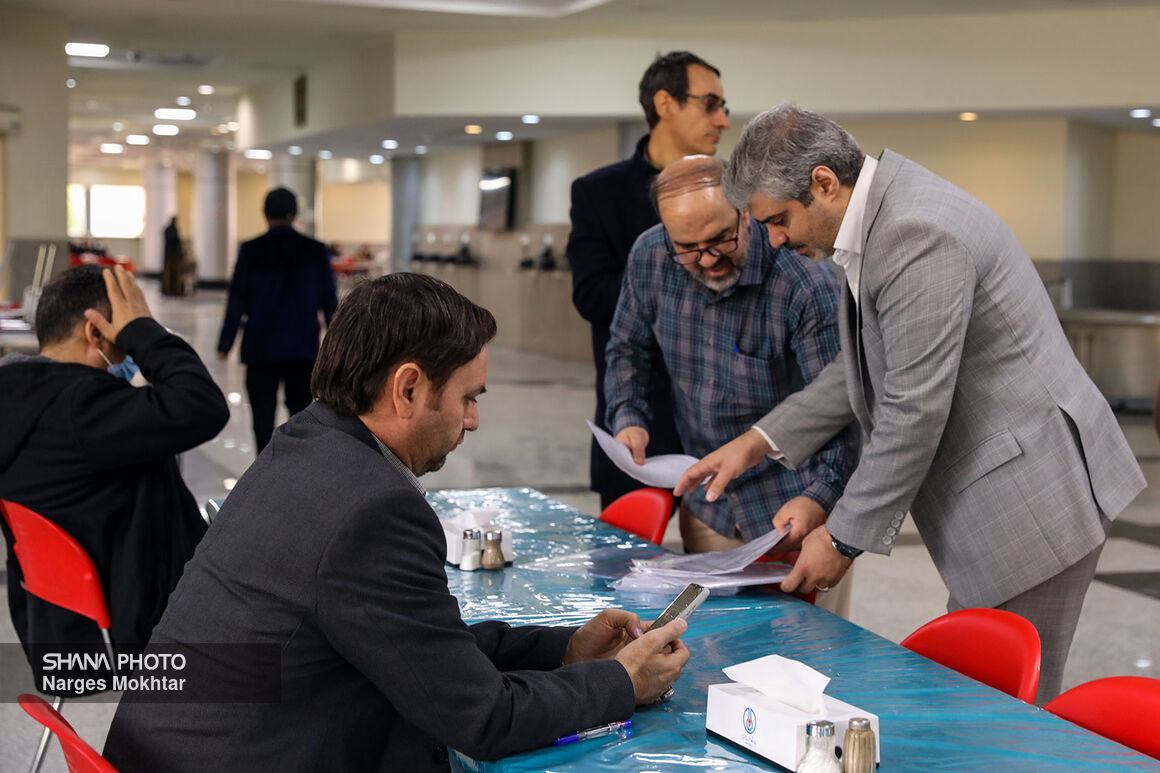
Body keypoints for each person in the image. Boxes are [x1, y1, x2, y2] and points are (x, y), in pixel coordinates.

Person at [104, 273, 690, 772]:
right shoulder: (372, 508)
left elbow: (418, 645)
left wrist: (565, 649)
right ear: (408, 388)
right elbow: (484, 717)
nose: (473, 420)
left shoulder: (305, 443)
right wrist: (622, 681)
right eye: (468, 397)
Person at [676, 104, 1146, 704]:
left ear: (824, 182)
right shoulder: (883, 214)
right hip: (1008, 482)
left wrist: (842, 539)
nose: (776, 240)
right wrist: (755, 443)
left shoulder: (914, 232)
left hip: (1032, 496)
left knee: (1003, 709)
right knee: (979, 696)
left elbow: (912, 408)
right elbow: (864, 365)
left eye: (778, 220)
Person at [607, 155, 859, 614]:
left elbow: (843, 407)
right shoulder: (650, 255)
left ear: (744, 212)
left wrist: (820, 499)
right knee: (711, 643)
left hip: (795, 511)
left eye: (720, 239)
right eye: (688, 248)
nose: (707, 259)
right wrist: (629, 414)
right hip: (711, 506)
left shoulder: (803, 282)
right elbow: (627, 347)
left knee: (806, 650)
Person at [0, 265, 228, 657]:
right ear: (95, 332)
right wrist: (143, 331)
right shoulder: (82, 410)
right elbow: (202, 405)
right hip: (143, 635)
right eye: (122, 336)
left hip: (60, 627)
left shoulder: (19, 399)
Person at [567, 50, 730, 509]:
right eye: (710, 104)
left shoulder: (733, 189)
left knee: (726, 554)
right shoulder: (599, 192)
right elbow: (591, 295)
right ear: (665, 104)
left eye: (724, 107)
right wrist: (672, 277)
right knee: (628, 553)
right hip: (637, 417)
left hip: (725, 424)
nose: (722, 120)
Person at [217, 186, 338, 454]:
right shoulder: (315, 250)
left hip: (260, 347)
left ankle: (266, 467)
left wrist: (225, 343)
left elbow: (237, 299)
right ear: (295, 214)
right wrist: (340, 344)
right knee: (302, 416)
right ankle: (299, 467)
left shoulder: (251, 250)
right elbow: (329, 300)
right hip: (303, 347)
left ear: (264, 213)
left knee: (262, 417)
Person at [161, 215, 184, 296]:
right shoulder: (171, 230)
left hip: (171, 254)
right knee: (169, 272)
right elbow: (175, 240)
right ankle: (169, 289)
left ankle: (173, 289)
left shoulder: (171, 229)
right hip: (171, 255)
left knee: (172, 272)